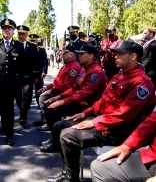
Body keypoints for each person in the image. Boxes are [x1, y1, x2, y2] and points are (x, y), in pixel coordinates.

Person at [46, 40, 156, 182]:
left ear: (133, 56)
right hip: (104, 122)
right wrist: (85, 113)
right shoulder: (119, 76)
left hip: (118, 130)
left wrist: (94, 122)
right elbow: (103, 101)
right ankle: (69, 171)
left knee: (68, 135)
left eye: (120, 54)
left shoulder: (142, 83)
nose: (115, 56)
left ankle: (70, 177)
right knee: (60, 125)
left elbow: (124, 115)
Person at [39, 43, 107, 153]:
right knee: (50, 106)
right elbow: (75, 88)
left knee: (53, 111)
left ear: (91, 56)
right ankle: (55, 139)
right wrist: (58, 97)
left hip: (88, 107)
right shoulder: (85, 69)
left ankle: (57, 144)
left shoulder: (96, 72)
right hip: (79, 103)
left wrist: (63, 101)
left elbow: (85, 93)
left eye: (81, 54)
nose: (78, 56)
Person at [0, 19, 30, 146]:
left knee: (9, 107)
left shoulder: (18, 45)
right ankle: (4, 124)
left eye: (9, 28)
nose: (6, 30)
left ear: (13, 31)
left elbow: (24, 65)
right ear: (2, 30)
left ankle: (9, 134)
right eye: (4, 28)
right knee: (2, 106)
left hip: (13, 82)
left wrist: (26, 82)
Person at [90, 110, 156, 182]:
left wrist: (97, 122)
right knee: (99, 167)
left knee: (76, 136)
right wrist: (127, 146)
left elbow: (126, 111)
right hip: (153, 154)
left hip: (120, 128)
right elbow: (150, 123)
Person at [34, 45, 81, 127]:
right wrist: (47, 87)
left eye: (65, 53)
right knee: (39, 93)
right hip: (57, 89)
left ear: (71, 55)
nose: (62, 54)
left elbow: (67, 86)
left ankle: (48, 123)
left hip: (62, 92)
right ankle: (44, 118)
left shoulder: (74, 67)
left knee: (43, 98)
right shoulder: (65, 66)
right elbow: (57, 82)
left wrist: (52, 91)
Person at [16, 25, 41, 127]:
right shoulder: (13, 45)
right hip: (16, 77)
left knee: (27, 97)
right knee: (18, 98)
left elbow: (37, 62)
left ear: (26, 35)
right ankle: (22, 110)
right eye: (19, 34)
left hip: (28, 76)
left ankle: (23, 117)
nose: (21, 36)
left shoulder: (33, 47)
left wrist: (36, 76)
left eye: (23, 34)